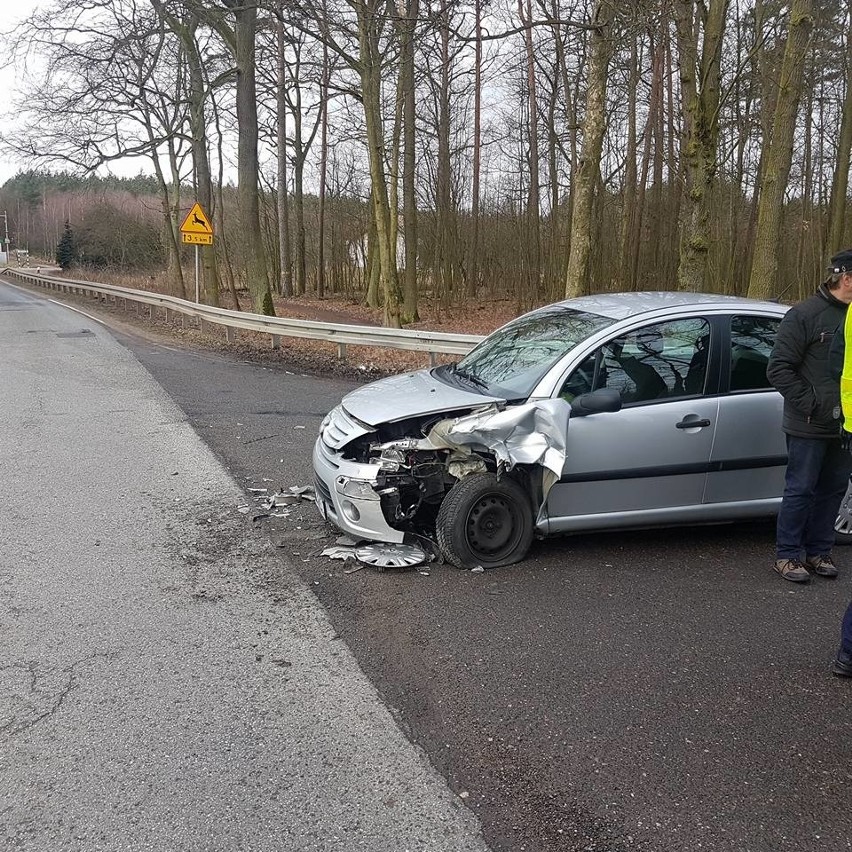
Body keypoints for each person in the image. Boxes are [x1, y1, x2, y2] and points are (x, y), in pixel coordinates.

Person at [766, 249, 852, 583]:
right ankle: (787, 556)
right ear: (846, 278)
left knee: (833, 489)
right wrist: (813, 405)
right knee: (800, 489)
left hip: (845, 425)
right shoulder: (804, 315)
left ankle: (819, 551)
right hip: (809, 422)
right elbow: (778, 369)